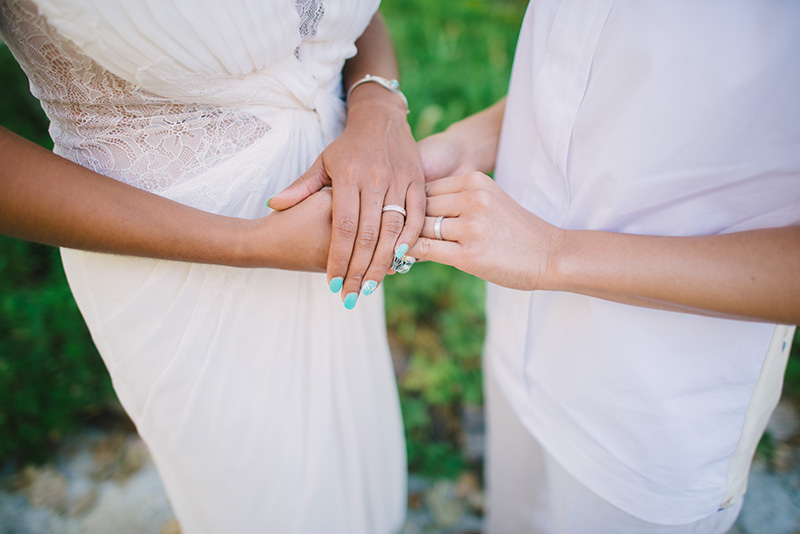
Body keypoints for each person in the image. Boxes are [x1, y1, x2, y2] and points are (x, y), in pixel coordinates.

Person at [0, 0, 424, 532]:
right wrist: (251, 244)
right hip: (174, 267)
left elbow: (326, 21)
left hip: (338, 218)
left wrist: (378, 105)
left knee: (358, 464)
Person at [408, 1, 799, 533]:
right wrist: (467, 143)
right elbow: (592, 73)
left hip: (651, 411)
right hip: (516, 339)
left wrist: (552, 253)